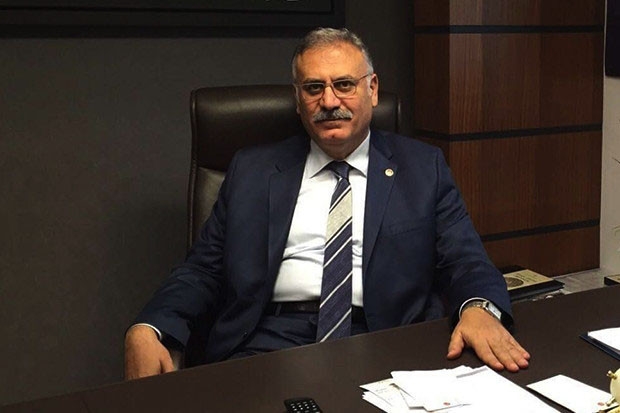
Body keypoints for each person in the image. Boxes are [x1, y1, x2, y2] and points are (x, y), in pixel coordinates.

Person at [125, 27, 530, 380]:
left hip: (387, 340)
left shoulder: (423, 168)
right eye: (314, 88)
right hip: (267, 342)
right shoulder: (253, 170)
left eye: (345, 84)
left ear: (372, 89)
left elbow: (465, 260)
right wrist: (150, 327)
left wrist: (479, 307)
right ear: (298, 98)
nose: (330, 101)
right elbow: (202, 270)